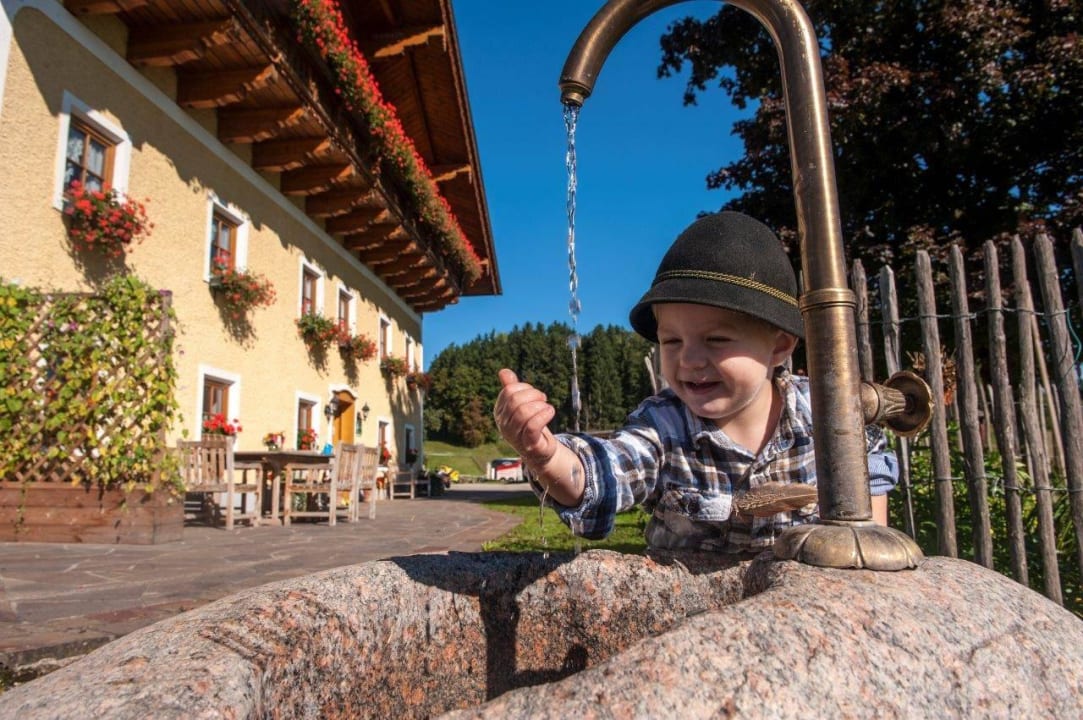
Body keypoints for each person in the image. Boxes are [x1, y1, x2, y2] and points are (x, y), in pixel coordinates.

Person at [493, 212, 898, 554]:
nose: (688, 359)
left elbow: (869, 481)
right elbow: (610, 470)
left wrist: (866, 551)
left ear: (780, 345)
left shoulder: (825, 416)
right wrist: (546, 457)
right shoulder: (664, 427)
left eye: (716, 339)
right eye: (671, 340)